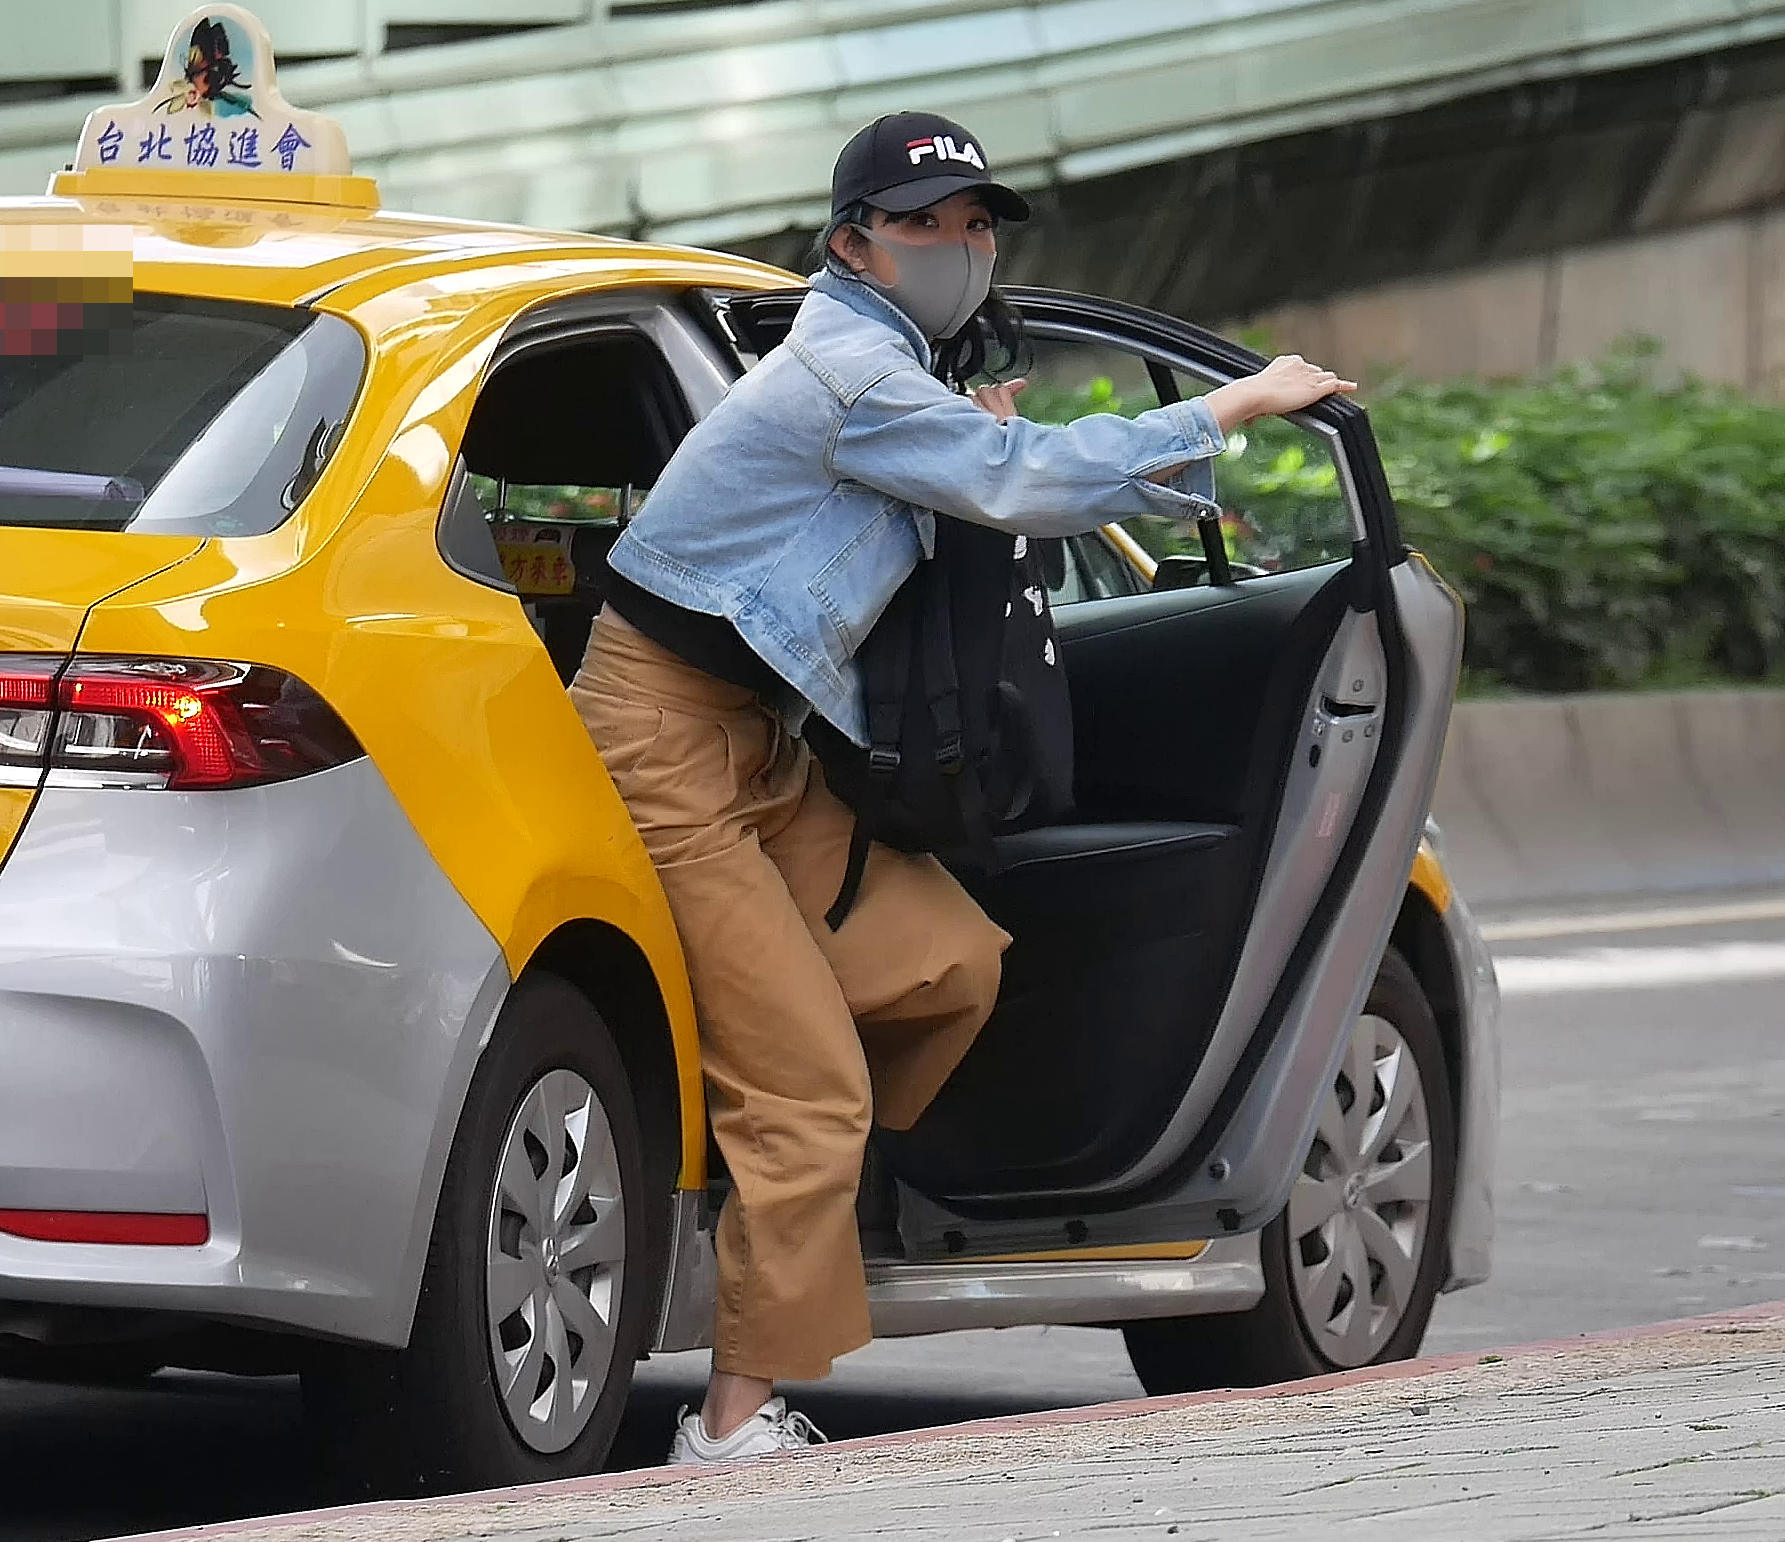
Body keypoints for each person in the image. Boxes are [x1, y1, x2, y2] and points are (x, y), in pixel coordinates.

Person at [572, 111, 1358, 1466]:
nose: (962, 247)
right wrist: (1231, 404)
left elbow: (1001, 476)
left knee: (945, 964)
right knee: (812, 1088)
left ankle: (782, 1195)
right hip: (662, 745)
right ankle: (736, 1415)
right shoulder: (843, 373)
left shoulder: (889, 369)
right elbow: (1019, 476)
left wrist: (1160, 477)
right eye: (927, 223)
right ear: (852, 243)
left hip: (759, 744)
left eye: (978, 222)